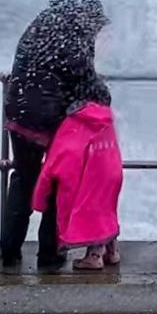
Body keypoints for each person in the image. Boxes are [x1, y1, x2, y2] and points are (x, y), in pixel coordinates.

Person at [0, 0, 110, 271]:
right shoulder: (75, 31)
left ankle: (9, 249)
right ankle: (49, 255)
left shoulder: (39, 23)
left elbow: (23, 66)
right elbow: (84, 78)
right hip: (48, 117)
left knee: (24, 178)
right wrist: (104, 97)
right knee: (58, 179)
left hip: (18, 109)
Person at [32, 79, 123, 271]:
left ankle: (94, 257)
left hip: (91, 177)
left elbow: (58, 161)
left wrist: (39, 199)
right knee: (105, 211)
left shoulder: (76, 121)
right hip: (112, 172)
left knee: (91, 213)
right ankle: (112, 252)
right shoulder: (106, 118)